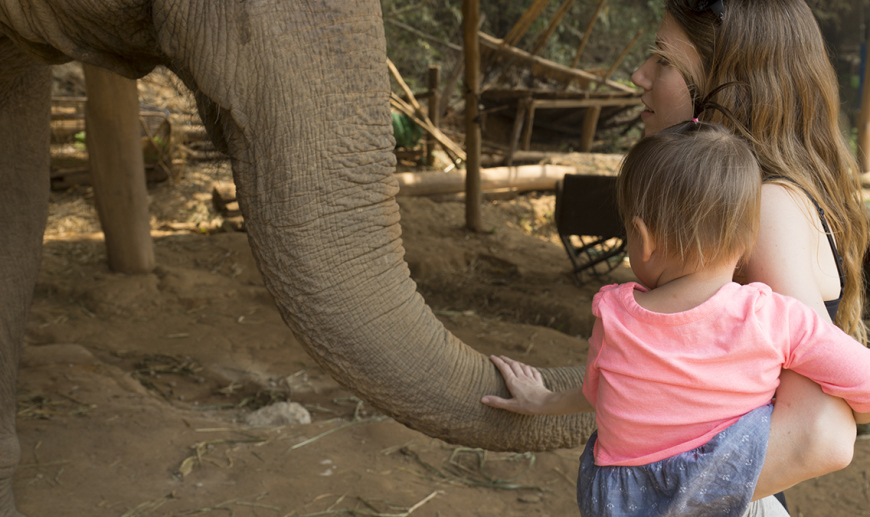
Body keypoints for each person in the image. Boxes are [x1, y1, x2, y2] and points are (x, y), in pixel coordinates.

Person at [493, 0, 867, 513]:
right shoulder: (735, 203)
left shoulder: (766, 205)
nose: (638, 75)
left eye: (663, 60)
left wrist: (643, 502)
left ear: (725, 79)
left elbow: (819, 435)